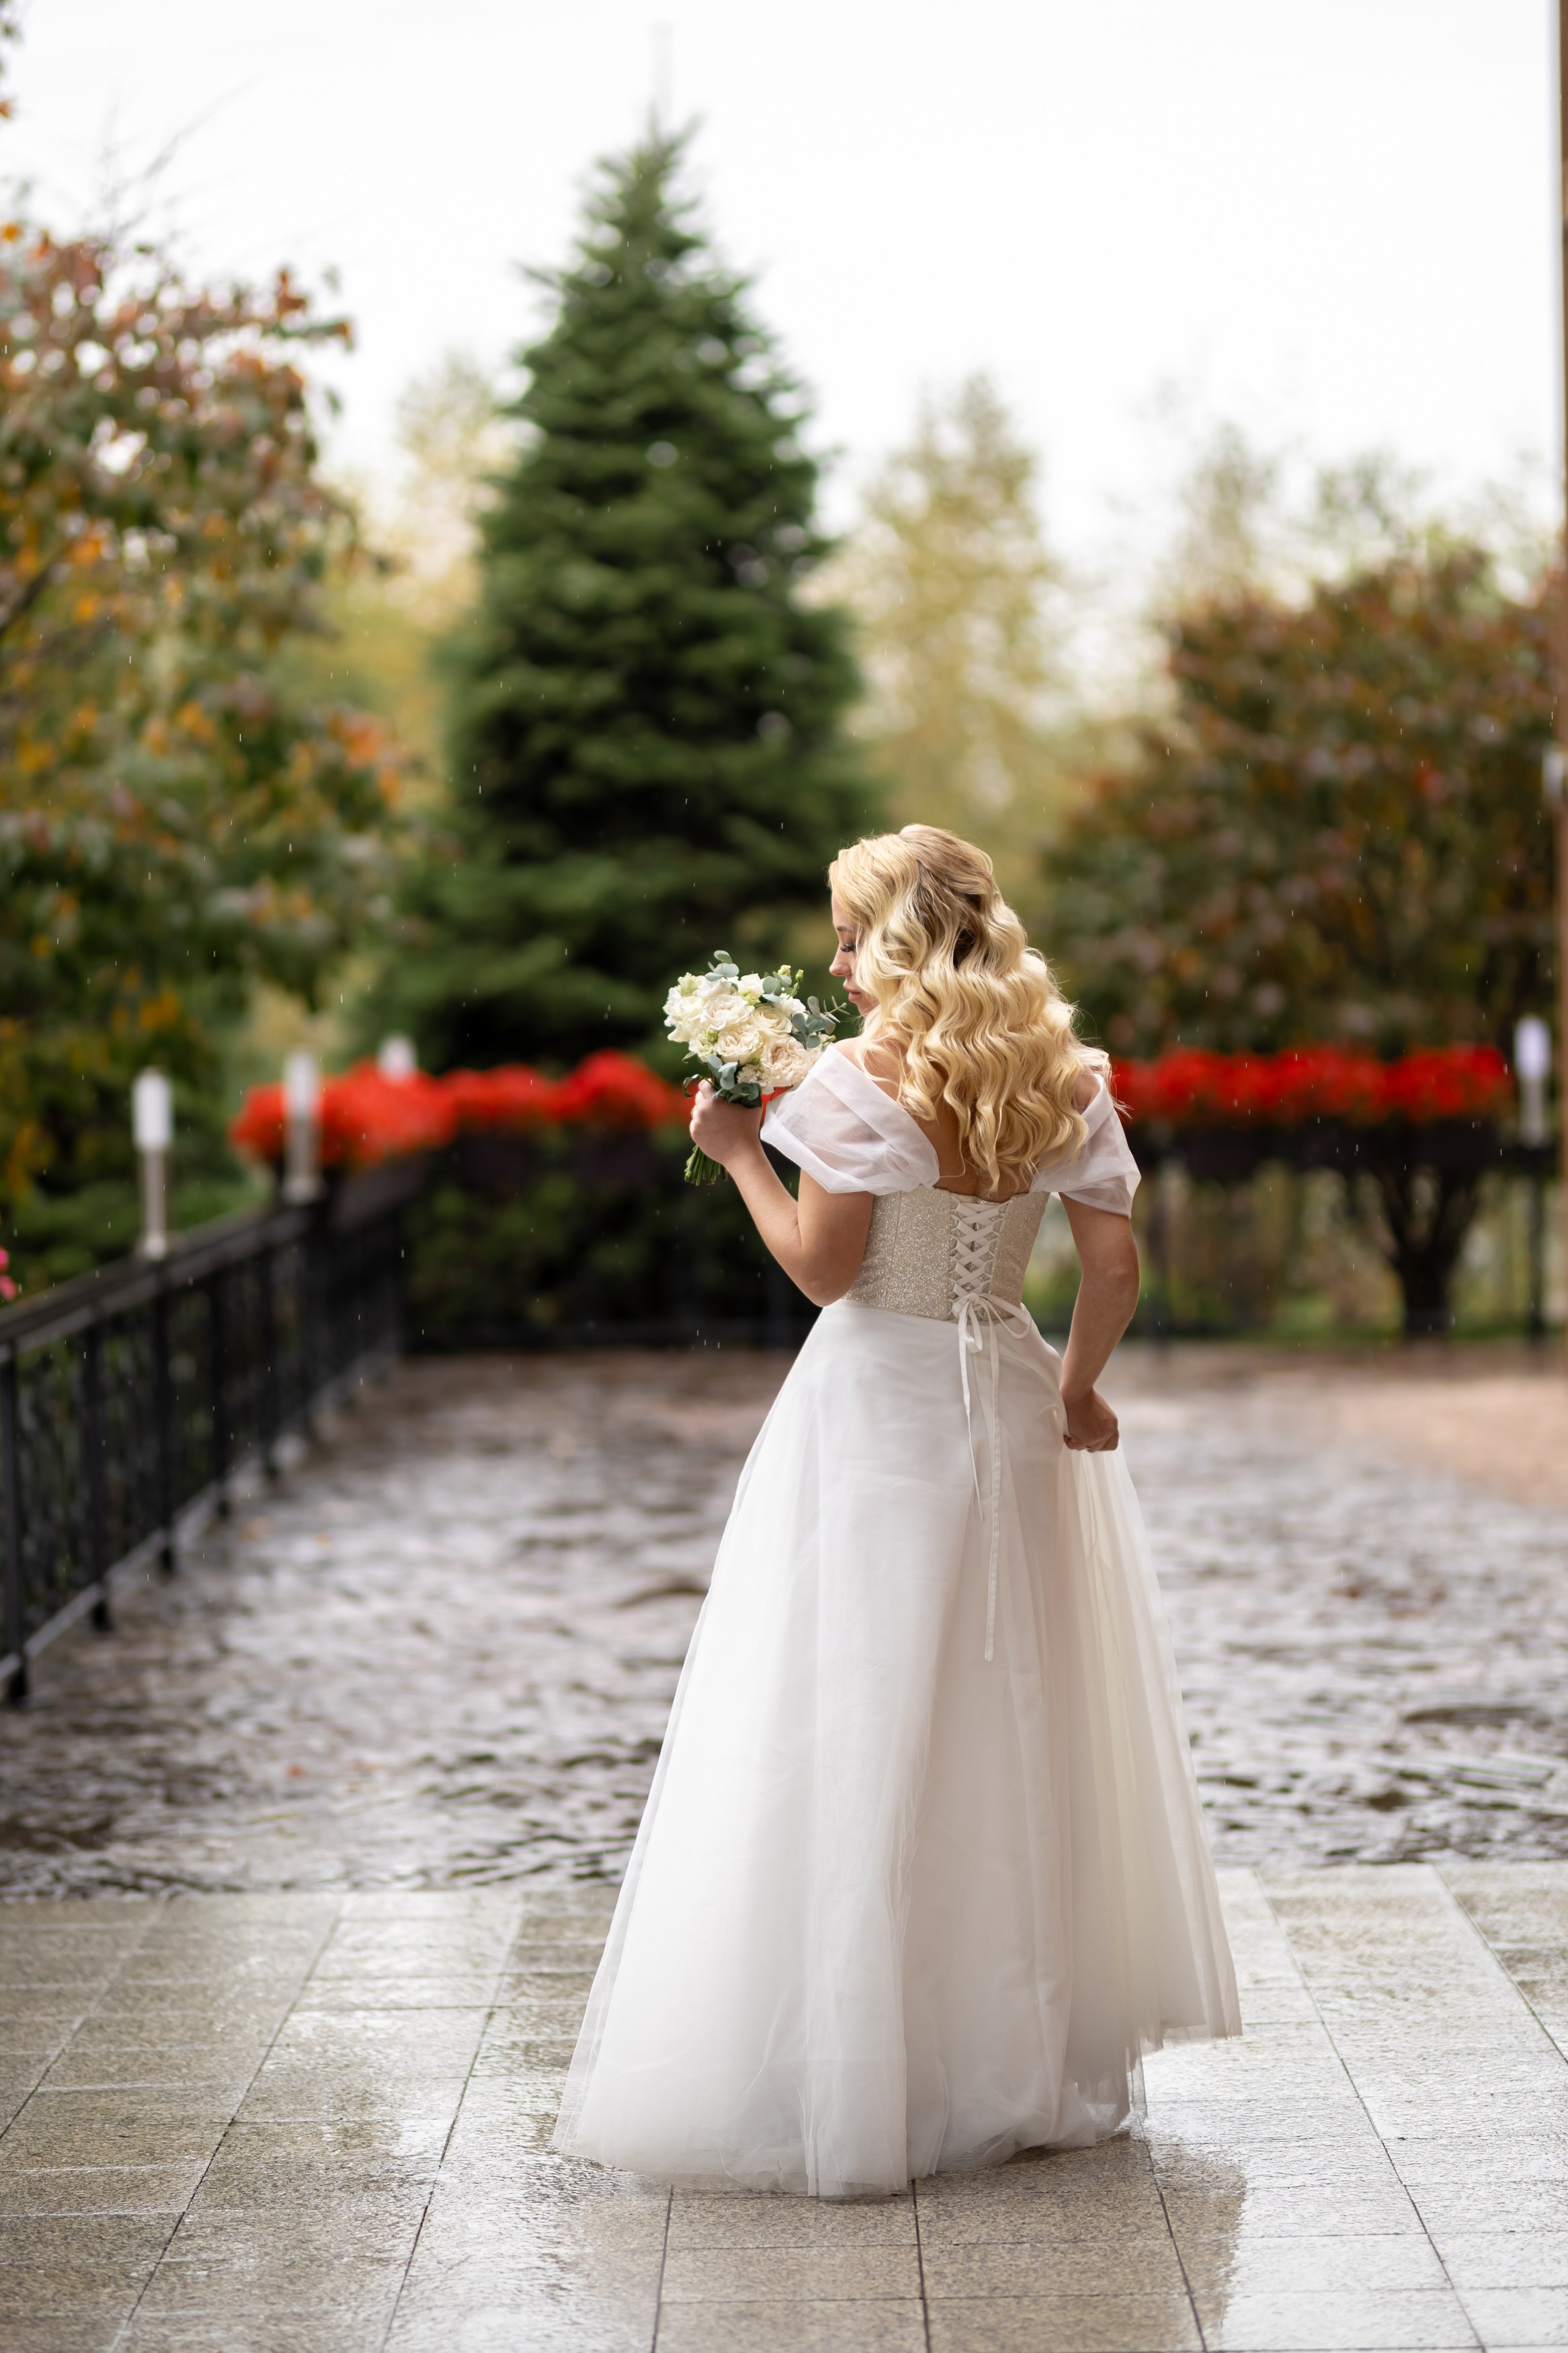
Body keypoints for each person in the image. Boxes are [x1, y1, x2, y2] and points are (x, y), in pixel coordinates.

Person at [554, 826, 1239, 2200]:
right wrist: (1084, 1392)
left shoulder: (854, 1087)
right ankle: (1015, 2067)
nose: (835, 961)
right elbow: (1112, 1266)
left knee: (855, 1722)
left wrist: (739, 1152)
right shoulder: (1061, 1078)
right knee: (1013, 1730)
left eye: (851, 934)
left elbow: (824, 1271)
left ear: (901, 941)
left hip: (875, 1419)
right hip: (1011, 1400)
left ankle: (869, 2077)